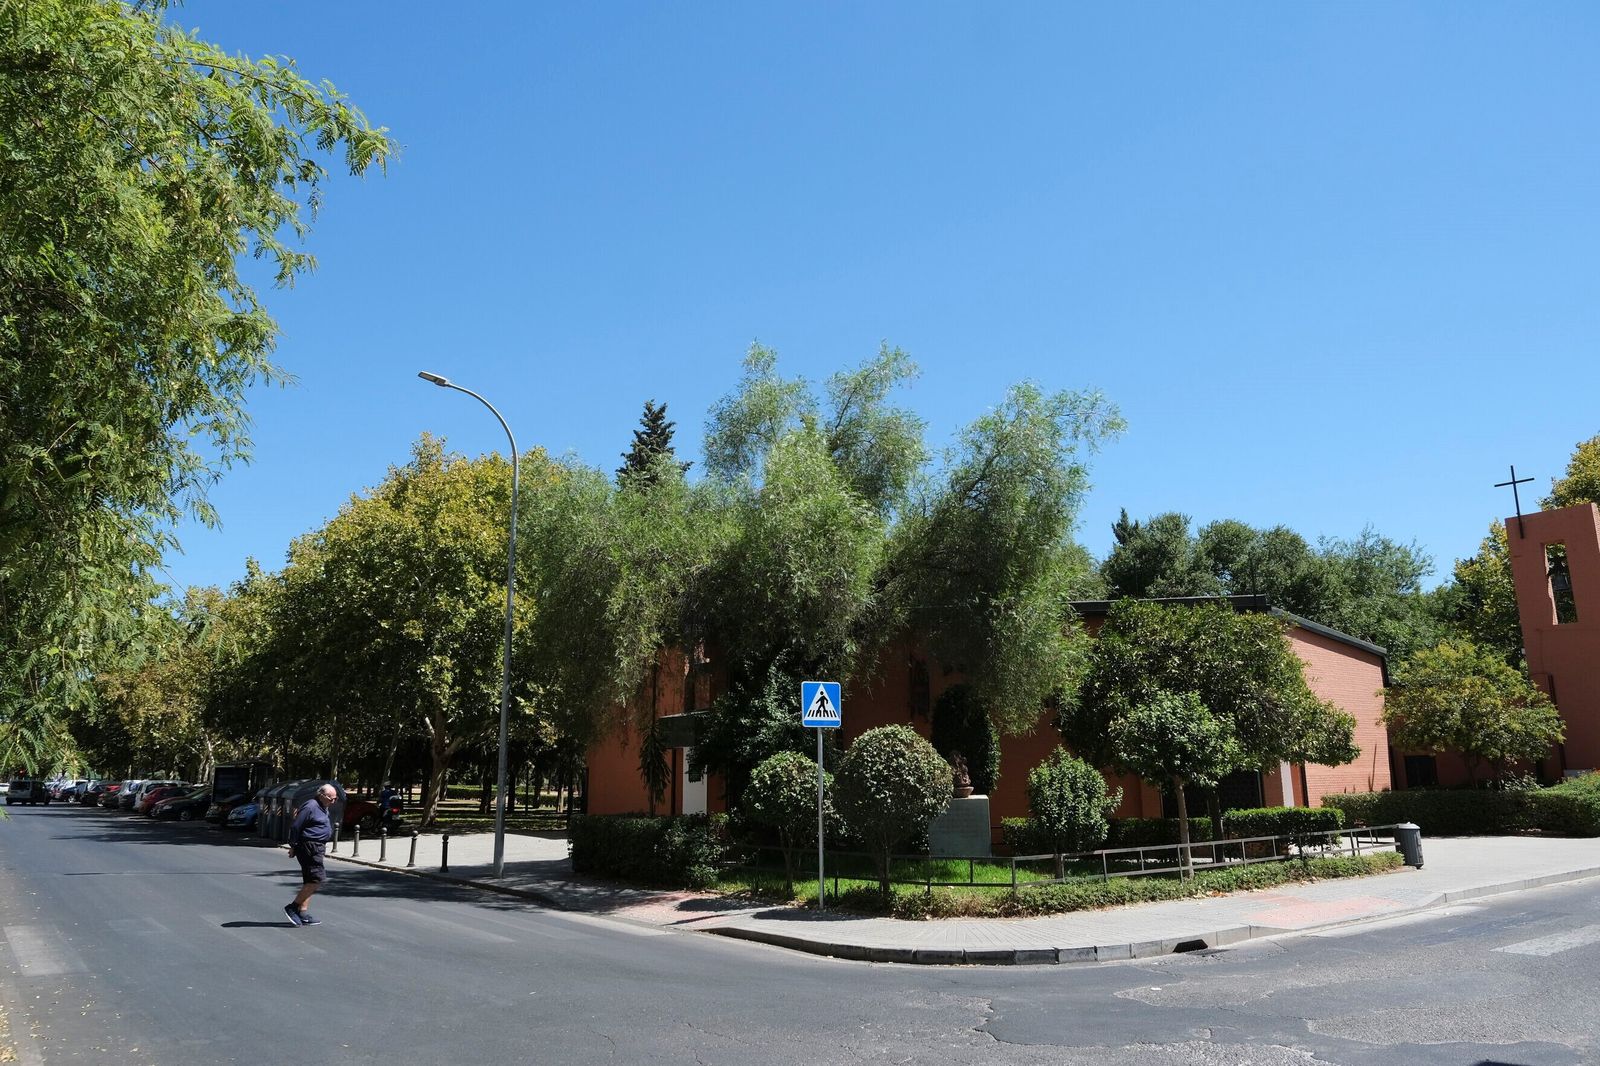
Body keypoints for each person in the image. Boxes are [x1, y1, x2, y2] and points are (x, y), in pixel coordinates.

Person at [285, 782, 337, 927]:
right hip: (309, 847)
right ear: (321, 795)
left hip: (316, 847)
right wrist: (293, 846)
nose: (333, 801)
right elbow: (296, 826)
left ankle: (302, 912)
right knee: (316, 879)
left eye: (335, 799)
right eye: (331, 798)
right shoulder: (310, 806)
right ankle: (293, 907)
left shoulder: (323, 806)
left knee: (309, 879)